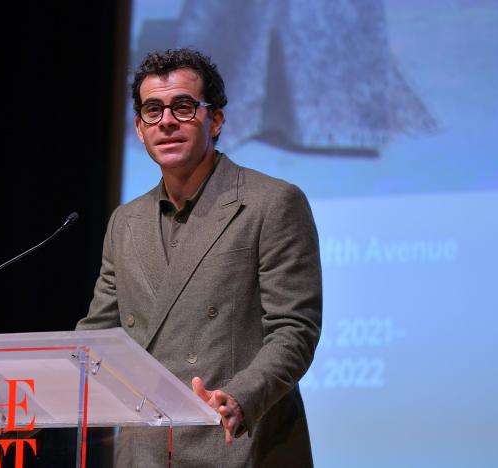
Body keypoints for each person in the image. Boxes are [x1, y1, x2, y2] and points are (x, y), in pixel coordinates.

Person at [74, 48, 322, 467]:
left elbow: (293, 330)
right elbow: (96, 339)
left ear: (217, 119)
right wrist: (9, 408)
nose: (166, 120)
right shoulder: (125, 221)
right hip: (147, 453)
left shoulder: (272, 203)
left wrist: (241, 397)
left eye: (183, 107)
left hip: (239, 443)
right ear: (139, 127)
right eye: (152, 110)